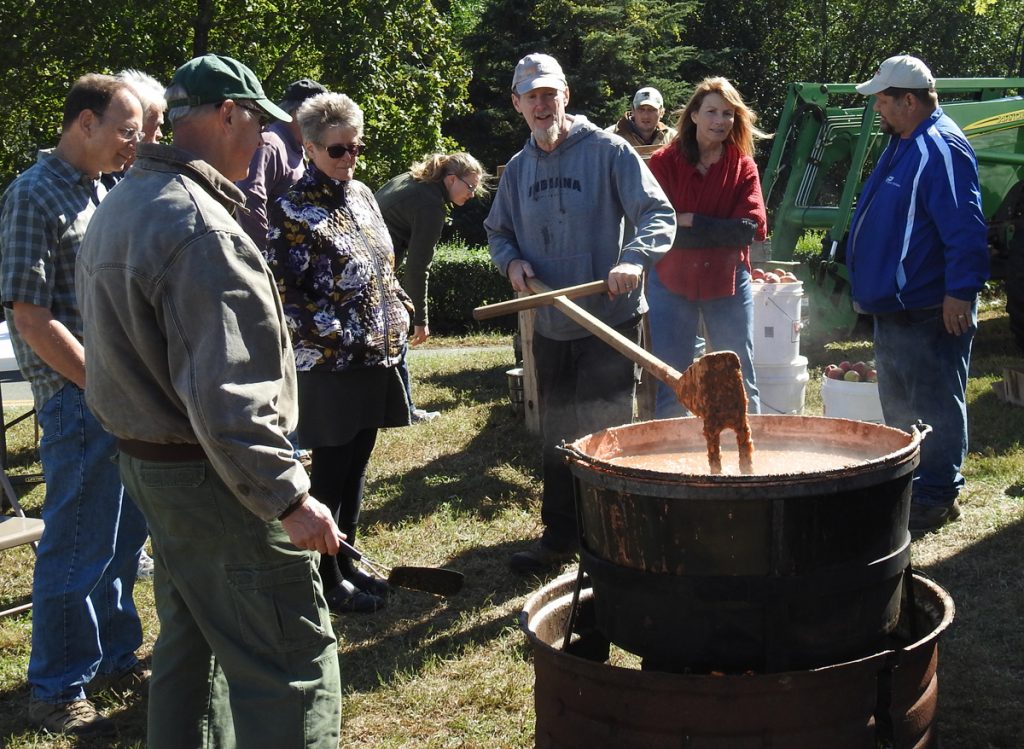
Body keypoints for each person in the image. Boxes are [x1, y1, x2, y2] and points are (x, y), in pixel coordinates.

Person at [75, 54, 344, 748]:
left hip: (154, 470)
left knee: (190, 646)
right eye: (259, 122)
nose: (265, 142)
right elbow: (229, 399)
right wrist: (289, 498)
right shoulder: (200, 228)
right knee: (290, 659)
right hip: (215, 481)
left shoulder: (123, 203)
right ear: (228, 113)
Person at [0, 73, 150, 735]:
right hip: (78, 399)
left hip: (122, 395)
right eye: (125, 131)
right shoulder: (33, 194)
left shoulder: (105, 189)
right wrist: (101, 383)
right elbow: (31, 317)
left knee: (122, 540)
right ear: (84, 122)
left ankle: (116, 654)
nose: (133, 145)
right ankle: (56, 686)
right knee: (76, 546)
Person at [485, 53, 675, 574]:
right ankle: (561, 536)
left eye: (551, 94)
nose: (542, 105)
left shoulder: (609, 151)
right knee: (557, 435)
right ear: (518, 104)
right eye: (532, 96)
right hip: (550, 325)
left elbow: (657, 212)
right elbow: (497, 231)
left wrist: (634, 258)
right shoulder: (519, 169)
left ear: (565, 95)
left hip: (609, 321)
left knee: (606, 433)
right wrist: (512, 262)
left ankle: (614, 541)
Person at [267, 91, 412, 612]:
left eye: (357, 147)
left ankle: (346, 560)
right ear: (308, 148)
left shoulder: (363, 195)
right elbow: (284, 298)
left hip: (376, 359)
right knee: (329, 473)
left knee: (357, 467)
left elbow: (381, 267)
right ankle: (326, 580)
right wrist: (346, 333)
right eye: (337, 150)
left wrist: (400, 307)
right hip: (328, 367)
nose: (349, 158)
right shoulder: (290, 210)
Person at [848, 55, 989, 534]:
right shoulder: (904, 141)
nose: (879, 109)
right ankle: (914, 481)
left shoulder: (940, 146)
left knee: (934, 403)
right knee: (902, 403)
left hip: (929, 308)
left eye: (884, 101)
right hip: (896, 308)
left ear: (909, 100)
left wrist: (961, 292)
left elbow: (965, 226)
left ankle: (937, 493)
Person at [645, 77, 768, 418]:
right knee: (674, 378)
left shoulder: (743, 166)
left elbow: (748, 230)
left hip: (727, 281)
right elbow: (659, 229)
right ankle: (670, 463)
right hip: (671, 281)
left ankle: (752, 461)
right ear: (694, 115)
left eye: (728, 113)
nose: (720, 121)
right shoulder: (663, 163)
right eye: (712, 111)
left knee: (739, 374)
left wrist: (690, 220)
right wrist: (714, 228)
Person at [376, 152, 490, 421]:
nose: (472, 194)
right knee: (396, 337)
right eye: (470, 187)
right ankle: (405, 411)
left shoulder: (412, 181)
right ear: (451, 179)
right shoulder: (430, 205)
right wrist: (419, 319)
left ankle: (384, 408)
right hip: (374, 270)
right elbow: (417, 268)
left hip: (361, 263)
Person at [236, 77, 327, 250]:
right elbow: (248, 198)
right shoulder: (270, 143)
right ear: (301, 112)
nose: (325, 124)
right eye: (321, 116)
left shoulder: (299, 148)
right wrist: (265, 254)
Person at [605, 86, 677, 148]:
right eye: (641, 109)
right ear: (633, 110)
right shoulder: (610, 137)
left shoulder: (673, 139)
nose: (646, 115)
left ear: (662, 112)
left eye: (651, 110)